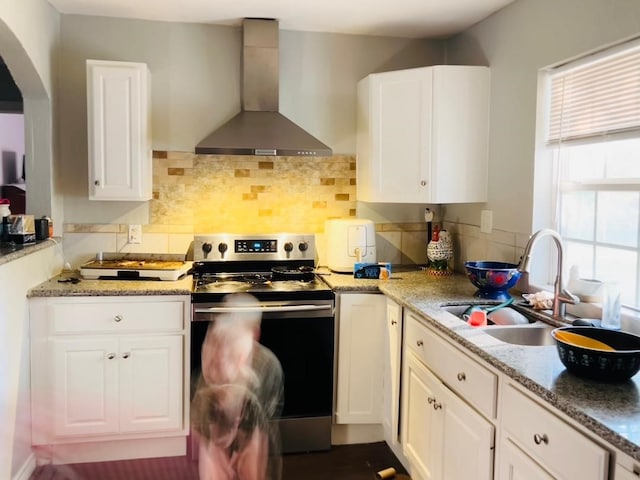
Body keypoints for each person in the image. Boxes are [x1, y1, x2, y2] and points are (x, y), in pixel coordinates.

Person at [192, 293, 284, 480]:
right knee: (214, 465)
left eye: (232, 350)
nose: (221, 357)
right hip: (217, 414)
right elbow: (202, 411)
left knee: (254, 464)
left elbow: (259, 430)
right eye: (217, 343)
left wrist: (246, 451)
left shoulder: (267, 367)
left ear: (254, 334)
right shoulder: (214, 348)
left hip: (252, 418)